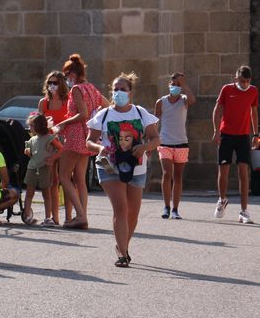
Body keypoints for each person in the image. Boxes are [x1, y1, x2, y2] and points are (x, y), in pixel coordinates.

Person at [87, 73, 160, 267]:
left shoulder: (140, 112)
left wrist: (144, 147)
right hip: (109, 167)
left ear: (130, 92)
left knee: (133, 214)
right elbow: (89, 141)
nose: (118, 92)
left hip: (136, 168)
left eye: (123, 89)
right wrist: (100, 148)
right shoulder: (103, 115)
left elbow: (155, 139)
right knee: (121, 208)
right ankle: (122, 254)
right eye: (115, 89)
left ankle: (122, 246)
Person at [52, 53, 107, 229]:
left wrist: (62, 124)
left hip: (76, 135)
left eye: (66, 76)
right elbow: (106, 104)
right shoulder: (91, 87)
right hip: (87, 135)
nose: (66, 79)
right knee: (80, 179)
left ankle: (81, 216)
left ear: (72, 74)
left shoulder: (76, 89)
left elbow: (82, 114)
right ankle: (82, 215)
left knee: (64, 176)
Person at [212, 65, 258, 224]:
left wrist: (256, 134)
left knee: (243, 172)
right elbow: (217, 109)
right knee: (223, 170)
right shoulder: (227, 89)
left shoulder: (253, 91)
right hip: (226, 135)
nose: (244, 84)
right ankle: (222, 200)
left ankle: (244, 211)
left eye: (247, 81)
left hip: (243, 136)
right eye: (242, 81)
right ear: (236, 79)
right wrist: (216, 131)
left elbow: (253, 112)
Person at [155, 72, 195, 220]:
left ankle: (175, 209)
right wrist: (150, 141)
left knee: (178, 176)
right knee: (167, 173)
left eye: (177, 85)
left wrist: (183, 85)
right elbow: (155, 121)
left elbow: (192, 99)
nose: (175, 87)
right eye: (173, 84)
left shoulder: (184, 100)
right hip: (165, 142)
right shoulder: (161, 102)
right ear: (168, 85)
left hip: (181, 143)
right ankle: (166, 206)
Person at [38, 70, 70, 226]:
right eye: (49, 82)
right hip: (49, 142)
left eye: (55, 83)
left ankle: (69, 216)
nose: (52, 85)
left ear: (62, 84)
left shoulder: (68, 100)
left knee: (66, 179)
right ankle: (52, 217)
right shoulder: (43, 102)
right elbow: (38, 125)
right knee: (51, 181)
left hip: (66, 141)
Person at [23, 113, 62, 226]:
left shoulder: (50, 138)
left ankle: (47, 217)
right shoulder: (32, 139)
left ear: (38, 126)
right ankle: (27, 215)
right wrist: (27, 152)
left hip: (44, 168)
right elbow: (29, 152)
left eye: (31, 126)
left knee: (46, 194)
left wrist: (52, 159)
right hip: (32, 168)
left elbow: (60, 149)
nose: (30, 128)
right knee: (29, 193)